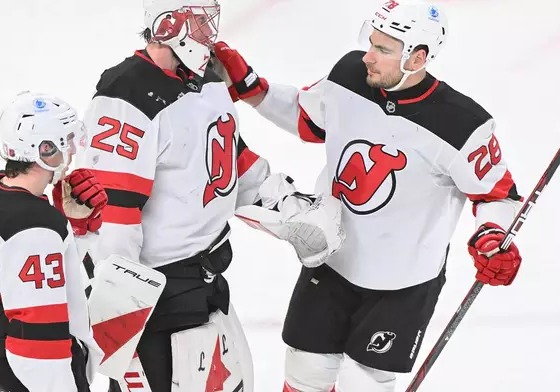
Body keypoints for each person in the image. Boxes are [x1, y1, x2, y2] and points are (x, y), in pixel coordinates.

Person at [211, 1, 524, 391]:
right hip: (330, 259)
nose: (368, 57)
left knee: (365, 384)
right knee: (305, 374)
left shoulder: (462, 124)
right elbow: (307, 118)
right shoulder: (348, 75)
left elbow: (499, 194)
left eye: (384, 50)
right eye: (370, 42)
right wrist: (251, 87)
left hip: (403, 284)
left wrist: (492, 234)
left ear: (418, 57)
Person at [77, 0, 344, 391]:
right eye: (199, 22)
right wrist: (121, 318)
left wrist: (281, 201)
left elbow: (228, 156)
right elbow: (115, 213)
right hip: (158, 295)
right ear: (169, 27)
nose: (208, 32)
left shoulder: (207, 76)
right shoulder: (126, 96)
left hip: (207, 281)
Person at [0, 92, 108, 392]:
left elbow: (20, 278)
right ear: (45, 149)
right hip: (26, 379)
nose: (74, 149)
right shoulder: (34, 225)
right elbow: (38, 345)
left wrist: (74, 231)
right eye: (66, 140)